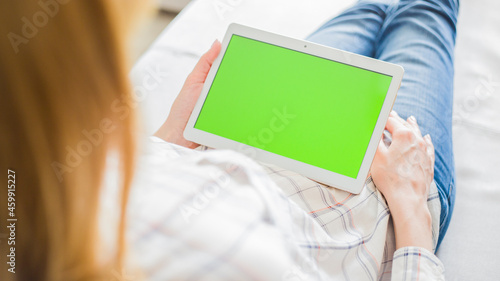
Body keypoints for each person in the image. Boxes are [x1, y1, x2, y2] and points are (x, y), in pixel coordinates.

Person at [0, 0, 457, 280]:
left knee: (368, 11)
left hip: (266, 125)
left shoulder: (41, 191)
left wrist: (172, 137)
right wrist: (412, 205)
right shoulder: (233, 267)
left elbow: (142, 183)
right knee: (426, 11)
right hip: (387, 188)